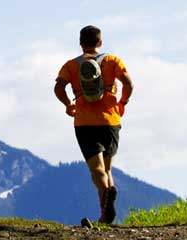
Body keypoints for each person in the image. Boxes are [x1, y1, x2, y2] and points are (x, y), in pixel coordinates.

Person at [53, 25, 134, 226]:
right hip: (111, 122)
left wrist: (68, 104)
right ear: (100, 42)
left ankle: (106, 206)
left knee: (97, 171)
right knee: (107, 170)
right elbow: (129, 83)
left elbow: (58, 87)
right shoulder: (112, 61)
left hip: (84, 123)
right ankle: (106, 215)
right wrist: (122, 103)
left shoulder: (71, 66)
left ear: (80, 44)